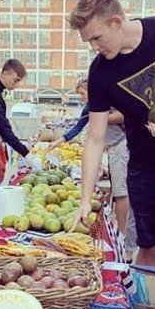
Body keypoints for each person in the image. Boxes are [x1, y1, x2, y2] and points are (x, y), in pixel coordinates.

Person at [67, 0, 155, 266]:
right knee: (150, 246)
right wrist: (85, 199)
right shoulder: (99, 73)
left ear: (116, 22)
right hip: (145, 165)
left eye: (97, 38)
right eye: (88, 41)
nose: (94, 47)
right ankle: (147, 306)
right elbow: (95, 140)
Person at [51, 79, 131, 238]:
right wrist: (59, 141)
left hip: (121, 146)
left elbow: (124, 114)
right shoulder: (90, 108)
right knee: (115, 190)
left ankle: (122, 234)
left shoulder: (109, 100)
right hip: (111, 149)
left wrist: (102, 118)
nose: (81, 97)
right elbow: (78, 126)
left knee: (121, 193)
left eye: (82, 93)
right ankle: (114, 228)